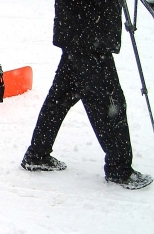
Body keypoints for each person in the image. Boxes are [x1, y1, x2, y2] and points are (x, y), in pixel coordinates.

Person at [21, 0, 153, 190]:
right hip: (89, 34)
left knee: (61, 96)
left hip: (80, 31)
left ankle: (37, 154)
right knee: (109, 102)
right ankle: (119, 169)